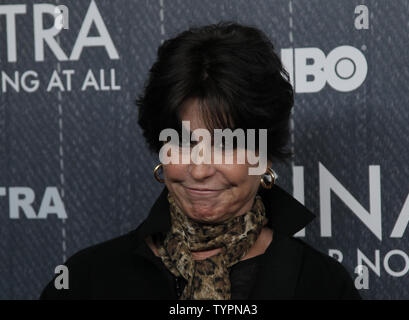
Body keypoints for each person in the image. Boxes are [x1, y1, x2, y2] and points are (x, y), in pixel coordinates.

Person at [40, 21, 361, 300]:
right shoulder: (86, 280)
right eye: (183, 142)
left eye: (226, 144)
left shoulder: (322, 285)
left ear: (264, 157)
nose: (200, 169)